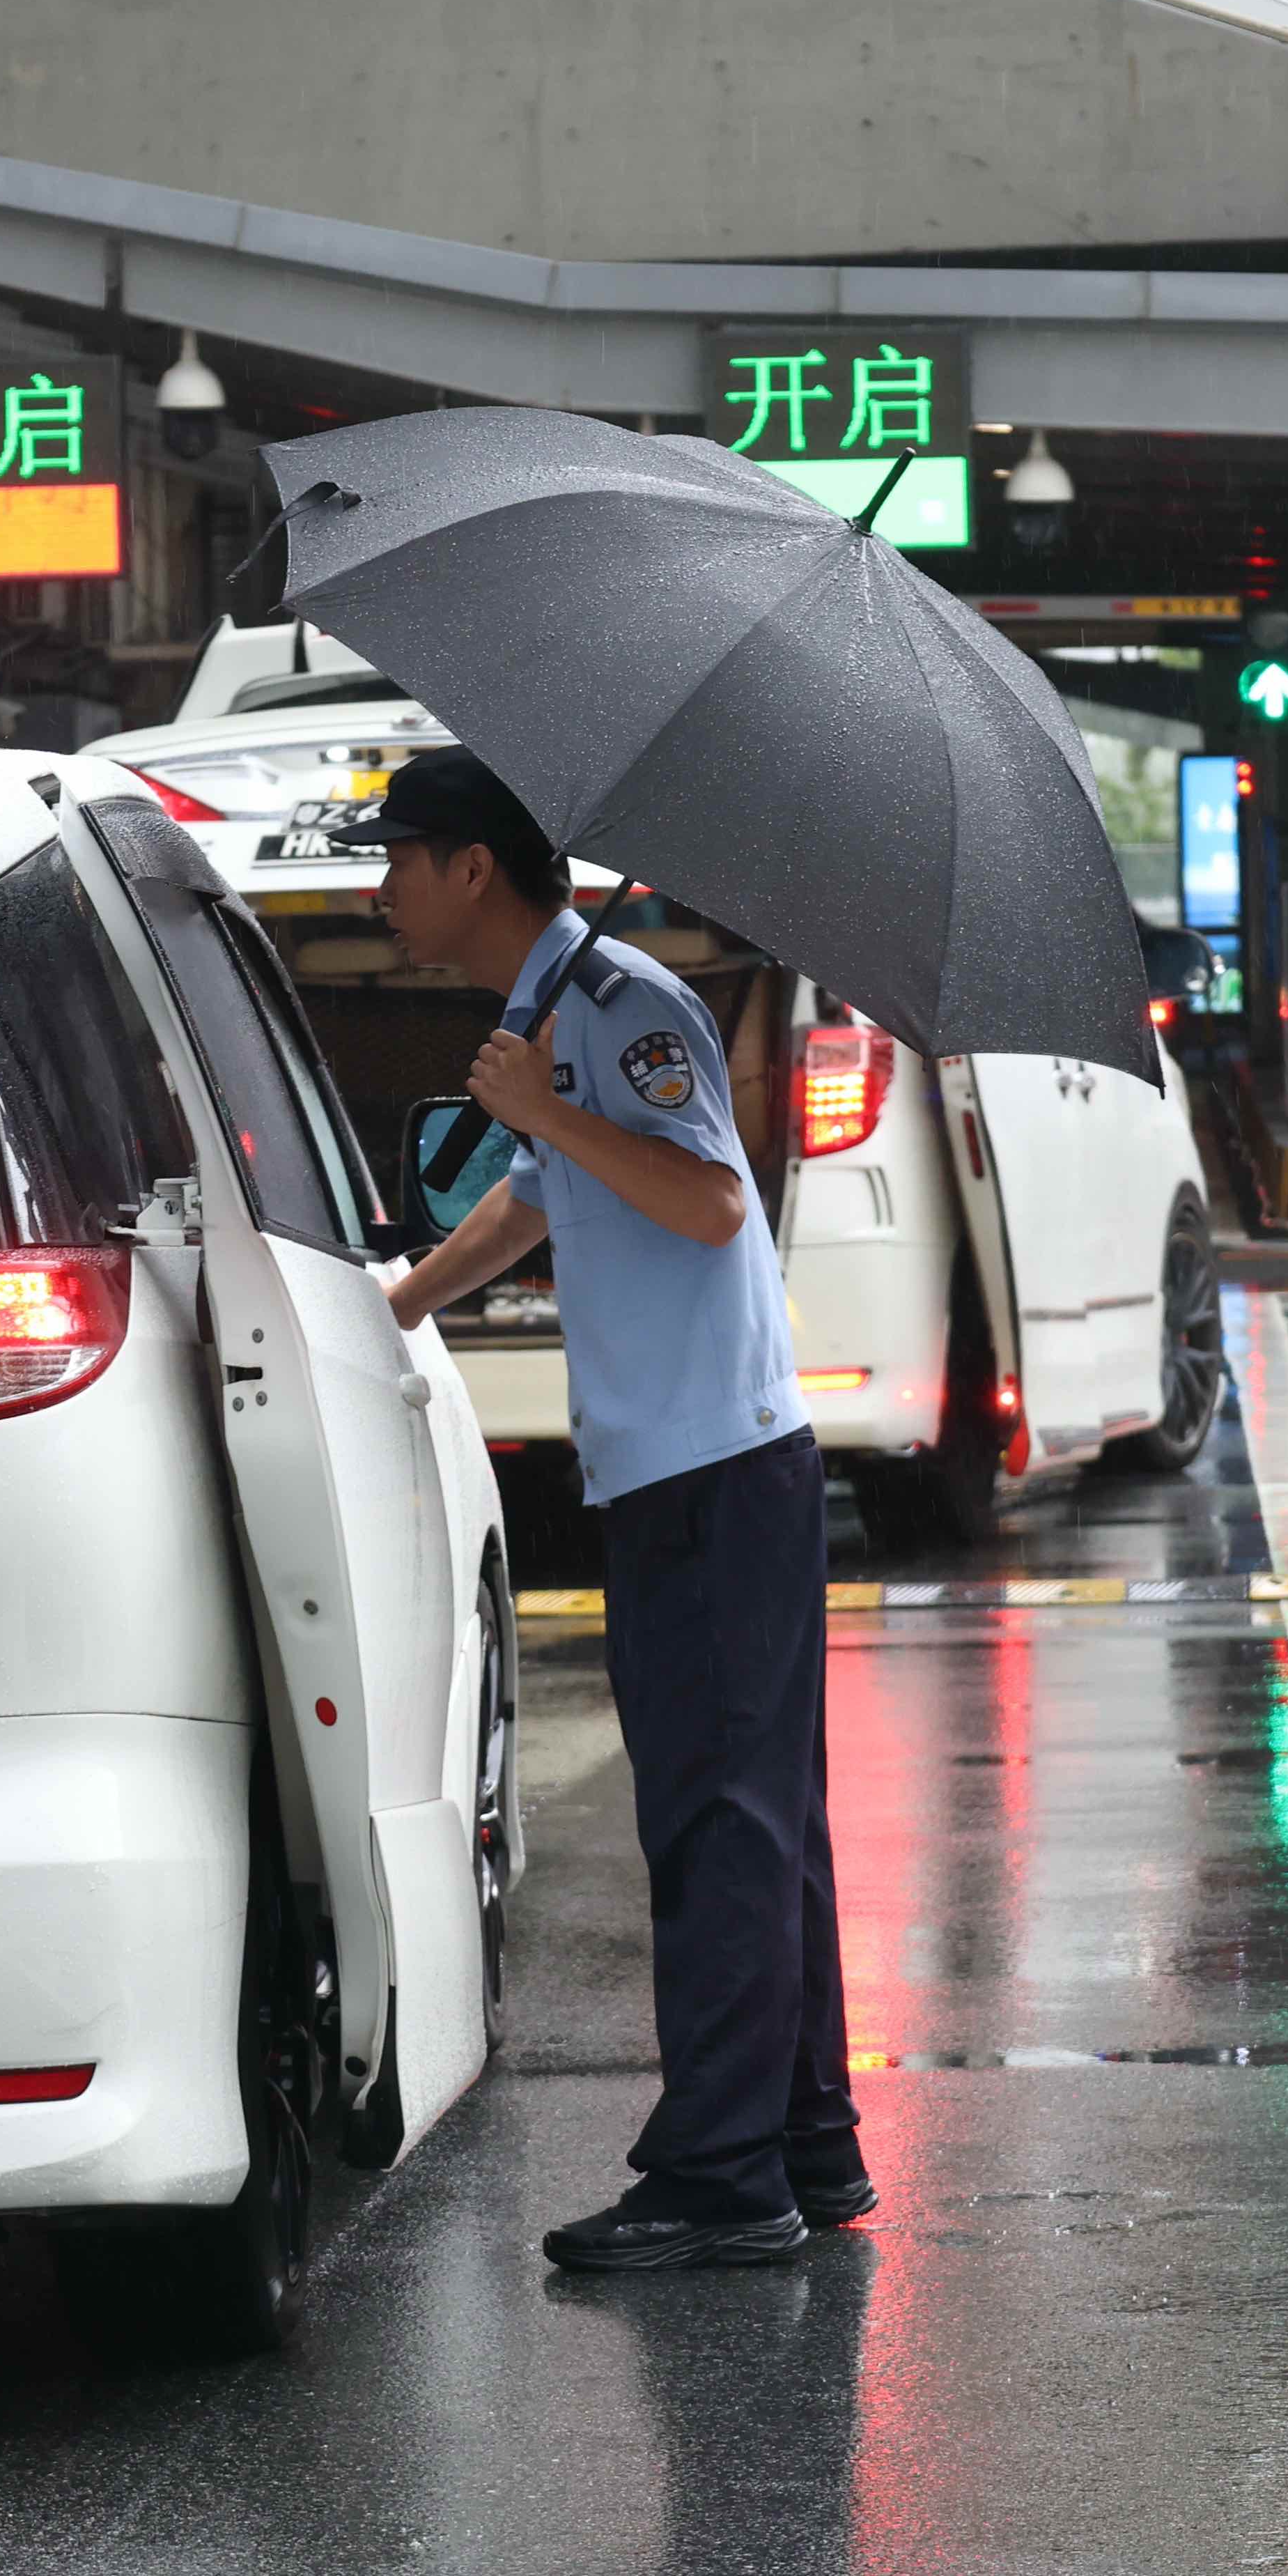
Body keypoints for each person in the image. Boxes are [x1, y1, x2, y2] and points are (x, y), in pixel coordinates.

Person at [341, 748, 870, 2272]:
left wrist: (550, 1109)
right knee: (762, 1822)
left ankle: (720, 2177)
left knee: (720, 1823)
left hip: (712, 1472)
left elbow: (710, 1200)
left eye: (401, 858)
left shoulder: (626, 1007)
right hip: (685, 1471)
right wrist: (400, 1305)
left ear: (473, 871)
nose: (384, 888)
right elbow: (529, 1196)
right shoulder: (550, 1011)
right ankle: (806, 2142)